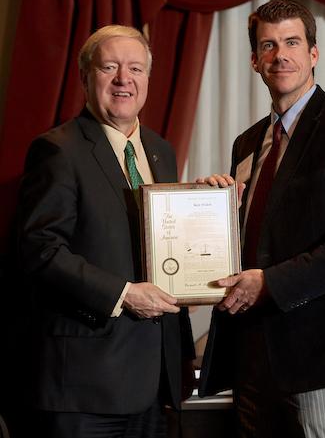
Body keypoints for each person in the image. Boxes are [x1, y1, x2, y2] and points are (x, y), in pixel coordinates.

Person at [197, 0, 325, 438]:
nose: (280, 54)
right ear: (254, 61)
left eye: (291, 42)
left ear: (313, 54)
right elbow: (257, 236)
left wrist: (272, 283)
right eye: (268, 46)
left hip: (322, 355)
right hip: (251, 355)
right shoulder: (247, 143)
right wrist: (212, 212)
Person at [12, 25, 194, 438]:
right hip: (84, 385)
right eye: (109, 67)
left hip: (153, 381)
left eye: (135, 68)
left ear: (148, 78)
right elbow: (39, 249)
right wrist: (124, 293)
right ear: (84, 76)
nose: (123, 79)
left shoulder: (160, 150)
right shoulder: (58, 150)